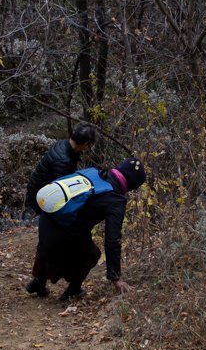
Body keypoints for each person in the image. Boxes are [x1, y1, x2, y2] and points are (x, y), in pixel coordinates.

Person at [25, 158, 147, 300]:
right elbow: (113, 239)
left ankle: (38, 283)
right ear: (132, 185)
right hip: (66, 229)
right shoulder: (116, 200)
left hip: (47, 217)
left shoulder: (93, 171)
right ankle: (73, 290)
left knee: (48, 247)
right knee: (91, 255)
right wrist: (115, 277)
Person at [24, 122, 98, 216]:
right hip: (41, 196)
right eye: (90, 145)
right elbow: (62, 193)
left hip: (35, 187)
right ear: (86, 143)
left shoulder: (63, 143)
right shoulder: (64, 162)